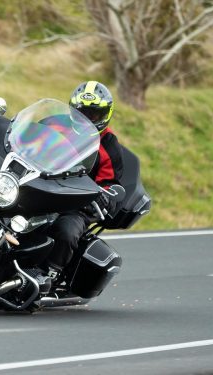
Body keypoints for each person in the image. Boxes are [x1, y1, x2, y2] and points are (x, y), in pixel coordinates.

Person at [36, 81, 124, 292]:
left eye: (94, 114)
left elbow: (112, 184)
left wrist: (104, 195)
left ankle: (49, 274)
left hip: (76, 202)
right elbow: (24, 138)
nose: (88, 119)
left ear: (106, 114)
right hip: (40, 187)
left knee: (67, 230)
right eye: (82, 113)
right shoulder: (53, 123)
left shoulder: (109, 144)